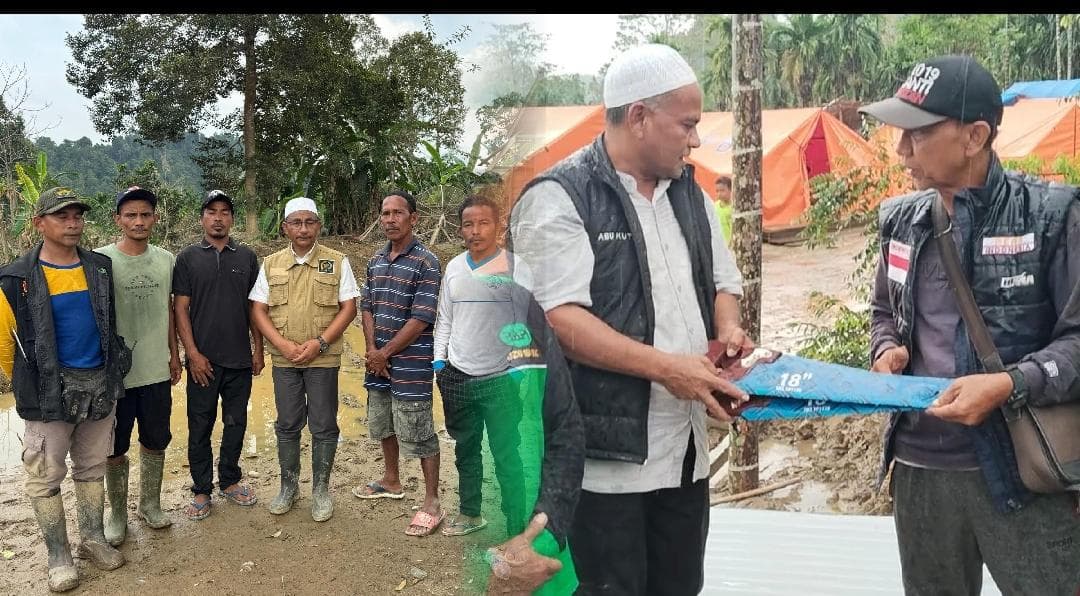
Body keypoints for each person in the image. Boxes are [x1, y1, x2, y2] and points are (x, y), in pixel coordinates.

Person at [508, 43, 753, 595]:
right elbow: (560, 319)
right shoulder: (559, 197)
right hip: (606, 463)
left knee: (679, 586)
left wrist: (729, 330)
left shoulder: (688, 192)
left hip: (686, 454)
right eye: (687, 124)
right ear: (639, 116)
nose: (695, 139)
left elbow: (722, 281)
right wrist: (669, 369)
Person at [860, 54, 1080, 594]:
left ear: (975, 136)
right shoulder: (901, 221)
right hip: (920, 471)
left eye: (917, 133)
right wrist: (887, 347)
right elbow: (885, 312)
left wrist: (1009, 383)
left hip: (1022, 472)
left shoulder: (1051, 217)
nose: (901, 150)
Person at [0, 187, 130, 592]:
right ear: (39, 223)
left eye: (77, 216)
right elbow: (6, 344)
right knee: (45, 474)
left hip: (98, 384)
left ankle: (92, 539)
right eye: (62, 216)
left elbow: (108, 326)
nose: (73, 223)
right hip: (46, 394)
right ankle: (59, 554)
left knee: (92, 467)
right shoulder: (15, 277)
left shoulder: (100, 268)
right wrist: (28, 383)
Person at [249, 197, 359, 522]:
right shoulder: (271, 264)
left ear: (318, 226)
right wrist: (281, 344)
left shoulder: (337, 262)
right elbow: (258, 309)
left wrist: (321, 343)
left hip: (323, 359)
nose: (303, 229)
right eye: (296, 223)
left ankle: (321, 490)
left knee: (324, 424)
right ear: (285, 228)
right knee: (287, 423)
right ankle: (289, 487)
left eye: (309, 222)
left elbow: (349, 307)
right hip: (285, 360)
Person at [351, 190, 445, 537]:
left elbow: (421, 318)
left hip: (410, 364)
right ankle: (391, 480)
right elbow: (367, 306)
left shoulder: (427, 263)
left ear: (413, 218)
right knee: (384, 421)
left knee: (418, 428)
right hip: (378, 363)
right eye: (385, 213)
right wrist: (372, 349)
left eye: (397, 213)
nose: (390, 220)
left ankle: (432, 500)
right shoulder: (375, 260)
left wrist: (384, 353)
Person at [96, 186, 182, 546]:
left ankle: (150, 504)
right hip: (115, 376)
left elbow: (171, 310)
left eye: (145, 214)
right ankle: (117, 514)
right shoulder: (99, 260)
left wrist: (175, 355)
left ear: (155, 218)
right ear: (118, 220)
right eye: (130, 215)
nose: (138, 221)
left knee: (155, 439)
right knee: (114, 447)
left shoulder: (166, 259)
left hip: (156, 370)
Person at [173, 190, 264, 520]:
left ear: (232, 219)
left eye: (225, 212)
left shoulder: (247, 258)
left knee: (236, 422)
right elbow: (180, 309)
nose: (218, 217)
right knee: (199, 425)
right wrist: (192, 354)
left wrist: (259, 349)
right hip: (203, 363)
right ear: (202, 218)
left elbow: (256, 309)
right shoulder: (187, 258)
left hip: (240, 359)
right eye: (212, 211)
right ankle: (201, 489)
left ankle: (229, 479)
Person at [714, 174, 733, 244]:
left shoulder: (733, 209)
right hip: (718, 244)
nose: (719, 194)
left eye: (722, 190)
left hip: (729, 246)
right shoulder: (715, 206)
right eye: (717, 191)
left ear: (730, 190)